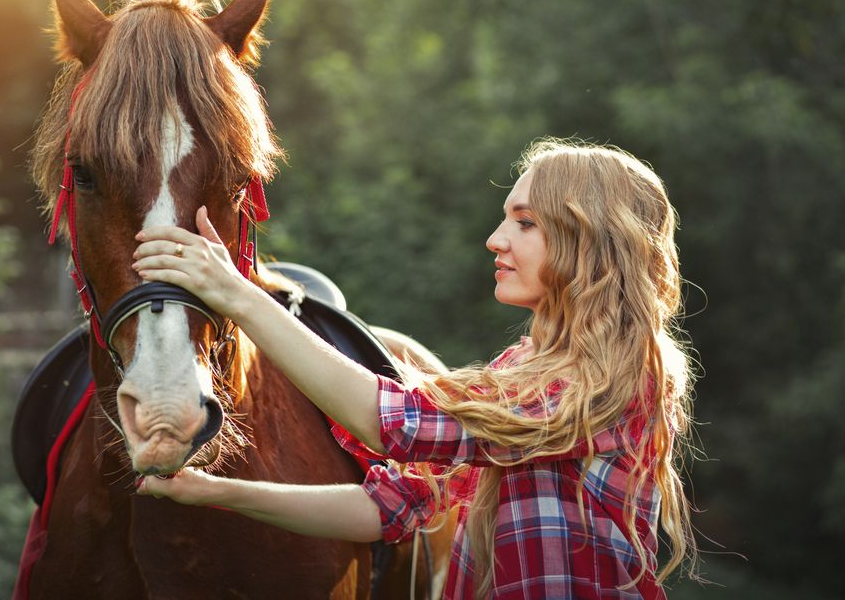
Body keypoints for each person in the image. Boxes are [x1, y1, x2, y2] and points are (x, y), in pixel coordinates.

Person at [131, 138, 697, 599]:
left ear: (591, 240)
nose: (495, 239)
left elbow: (393, 423)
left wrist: (238, 296)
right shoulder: (521, 371)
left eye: (525, 223)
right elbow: (386, 507)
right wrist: (216, 491)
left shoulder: (613, 383)